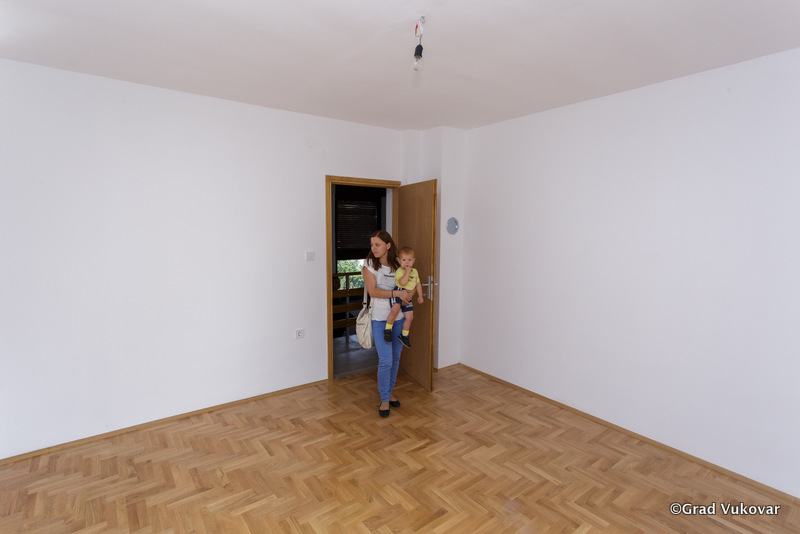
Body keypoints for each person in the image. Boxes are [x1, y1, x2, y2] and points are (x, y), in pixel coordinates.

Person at [362, 230, 414, 418]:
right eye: (372, 244)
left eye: (377, 244)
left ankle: (389, 392)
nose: (373, 248)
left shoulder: (397, 264)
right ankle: (384, 398)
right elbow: (373, 291)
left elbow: (407, 285)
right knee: (386, 360)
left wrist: (409, 293)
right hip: (380, 319)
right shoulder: (369, 265)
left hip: (399, 319)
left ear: (388, 245)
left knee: (396, 358)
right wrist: (397, 294)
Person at [384, 247, 424, 348]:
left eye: (409, 260)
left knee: (410, 317)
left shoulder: (415, 272)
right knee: (395, 310)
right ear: (399, 261)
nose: (407, 263)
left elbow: (418, 284)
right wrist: (407, 272)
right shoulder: (400, 271)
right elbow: (402, 282)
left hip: (408, 296)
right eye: (404, 260)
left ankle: (404, 335)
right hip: (399, 291)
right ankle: (388, 329)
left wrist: (420, 296)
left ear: (413, 260)